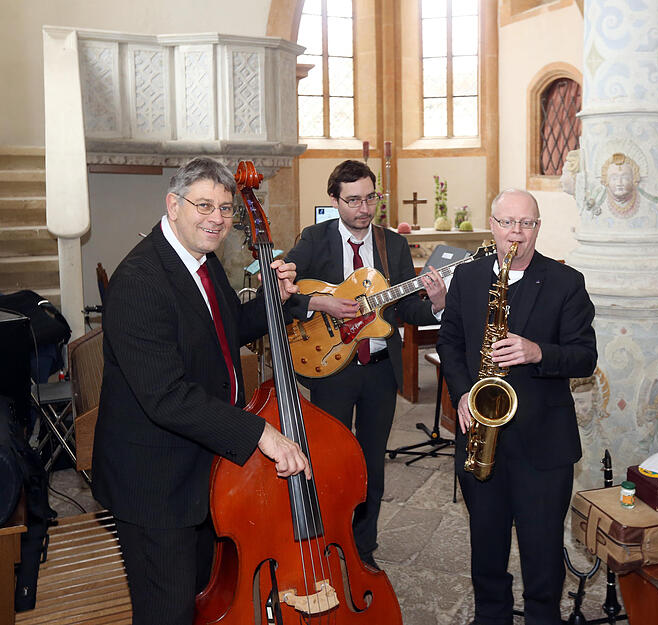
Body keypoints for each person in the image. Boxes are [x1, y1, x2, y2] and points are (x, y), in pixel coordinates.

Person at [92, 157, 311, 625]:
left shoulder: (200, 261)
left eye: (227, 209)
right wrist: (260, 434)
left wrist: (278, 300)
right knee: (166, 611)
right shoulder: (140, 282)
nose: (217, 219)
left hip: (201, 465)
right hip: (154, 481)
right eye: (204, 205)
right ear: (173, 205)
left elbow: (226, 328)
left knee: (203, 597)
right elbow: (166, 396)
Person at [437, 189, 598, 625]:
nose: (516, 233)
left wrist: (537, 352)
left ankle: (543, 617)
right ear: (492, 225)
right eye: (507, 222)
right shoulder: (469, 279)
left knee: (542, 549)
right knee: (486, 545)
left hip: (543, 445)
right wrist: (463, 393)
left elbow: (585, 356)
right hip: (480, 435)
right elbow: (449, 341)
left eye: (526, 224)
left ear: (537, 228)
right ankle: (492, 616)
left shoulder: (566, 282)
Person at [283, 159, 446, 569]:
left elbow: (407, 308)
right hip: (330, 370)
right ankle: (325, 541)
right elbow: (282, 291)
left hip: (377, 371)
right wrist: (317, 302)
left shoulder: (392, 246)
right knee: (329, 459)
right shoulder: (314, 239)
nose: (363, 208)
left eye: (370, 198)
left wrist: (438, 303)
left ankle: (363, 548)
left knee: (372, 461)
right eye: (353, 200)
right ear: (335, 200)